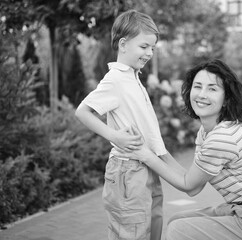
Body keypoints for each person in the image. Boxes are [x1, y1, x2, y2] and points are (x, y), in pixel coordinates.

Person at [129, 59, 242, 240]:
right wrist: (158, 149)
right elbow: (192, 183)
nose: (202, 94)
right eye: (198, 86)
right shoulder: (208, 131)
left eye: (212, 89)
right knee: (178, 220)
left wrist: (145, 155)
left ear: (226, 99)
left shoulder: (221, 138)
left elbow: (189, 186)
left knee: (179, 230)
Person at [75, 9, 181, 240]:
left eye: (152, 48)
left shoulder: (133, 77)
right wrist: (115, 136)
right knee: (132, 233)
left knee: (152, 227)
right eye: (144, 47)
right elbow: (83, 112)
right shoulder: (115, 79)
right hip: (128, 171)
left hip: (146, 167)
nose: (150, 53)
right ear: (123, 44)